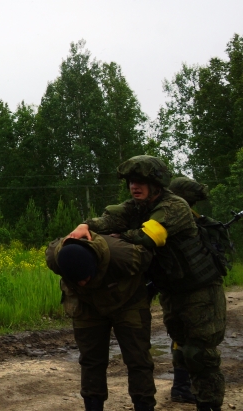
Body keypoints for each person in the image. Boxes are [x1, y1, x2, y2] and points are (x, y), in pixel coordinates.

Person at [69, 156, 227, 411]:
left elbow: (149, 236)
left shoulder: (174, 206)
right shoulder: (137, 206)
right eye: (131, 182)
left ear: (157, 184)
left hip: (201, 291)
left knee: (200, 355)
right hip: (172, 292)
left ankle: (210, 406)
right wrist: (85, 225)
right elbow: (111, 218)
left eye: (141, 181)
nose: (134, 186)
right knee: (182, 351)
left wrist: (122, 236)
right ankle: (188, 393)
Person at [46, 232, 156, 411]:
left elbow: (152, 261)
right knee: (91, 360)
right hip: (87, 304)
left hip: (128, 301)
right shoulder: (54, 257)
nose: (82, 283)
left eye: (85, 278)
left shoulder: (125, 255)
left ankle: (144, 406)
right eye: (77, 281)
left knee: (138, 359)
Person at [164, 176, 211, 404]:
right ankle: (185, 387)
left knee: (180, 336)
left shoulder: (171, 216)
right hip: (188, 288)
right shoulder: (182, 218)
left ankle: (181, 387)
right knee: (193, 338)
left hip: (173, 287)